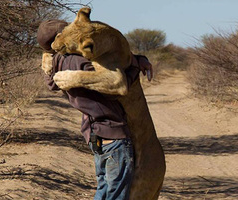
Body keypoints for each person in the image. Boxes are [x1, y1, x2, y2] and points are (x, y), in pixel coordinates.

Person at [37, 19, 153, 200]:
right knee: (116, 194)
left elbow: (52, 84)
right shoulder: (79, 62)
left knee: (104, 189)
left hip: (94, 135)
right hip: (112, 134)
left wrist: (136, 58)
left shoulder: (55, 66)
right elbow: (118, 85)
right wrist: (136, 66)